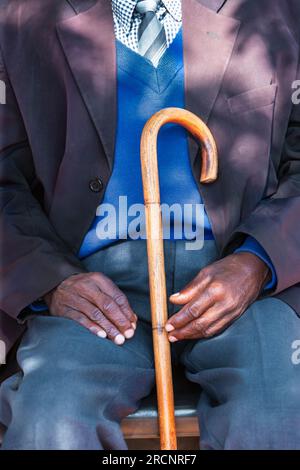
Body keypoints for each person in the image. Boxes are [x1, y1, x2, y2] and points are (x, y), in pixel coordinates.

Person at [0, 0, 300, 450]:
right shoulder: (20, 15)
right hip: (91, 289)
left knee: (278, 415)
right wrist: (52, 282)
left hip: (242, 284)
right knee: (49, 419)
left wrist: (257, 261)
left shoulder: (280, 10)